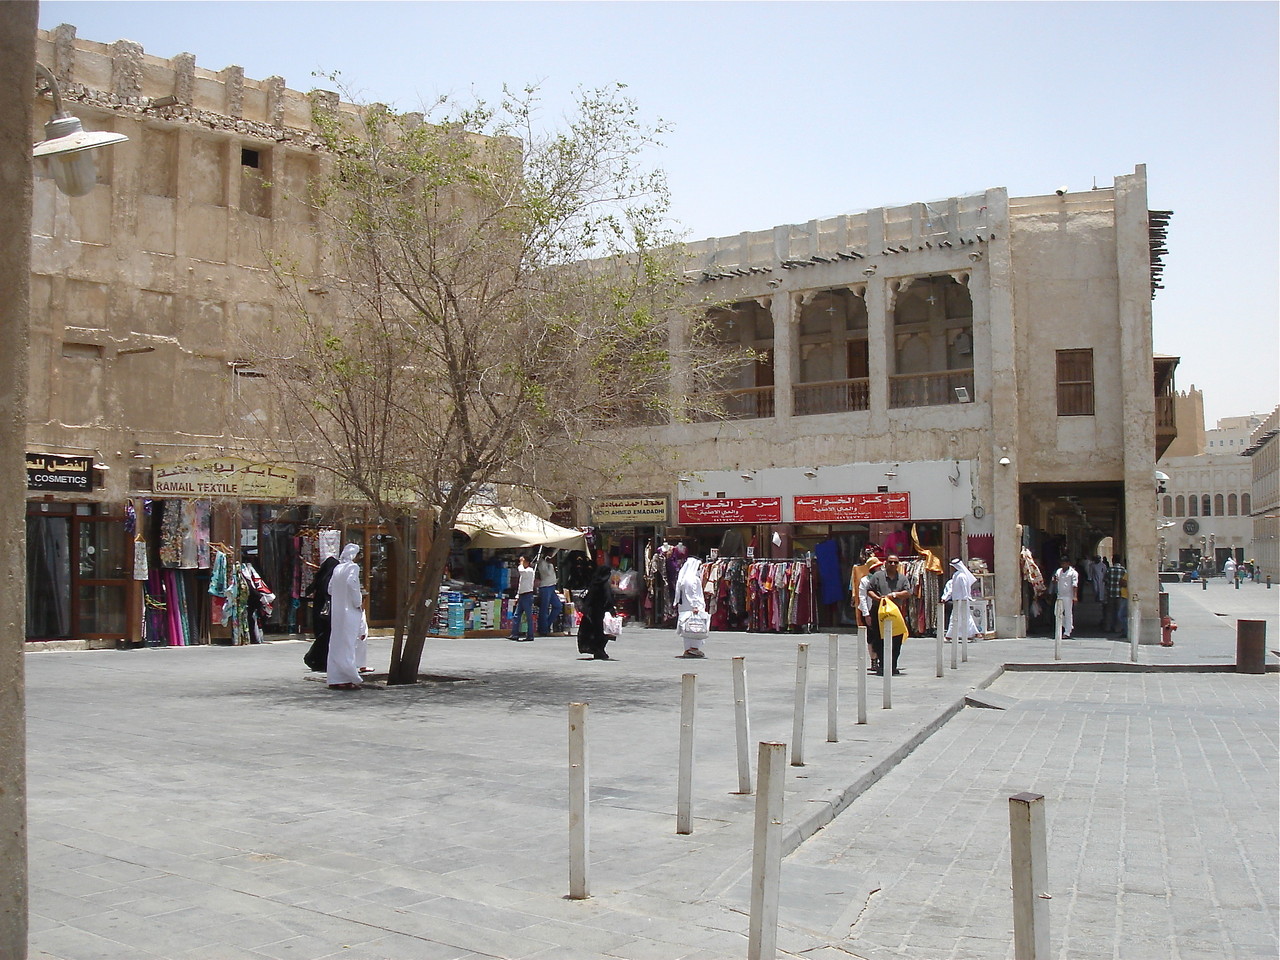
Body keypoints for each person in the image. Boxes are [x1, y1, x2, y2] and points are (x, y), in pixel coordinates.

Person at [326, 544, 367, 690]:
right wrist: (358, 601)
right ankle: (349, 676)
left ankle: (335, 677)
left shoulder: (337, 568)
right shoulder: (353, 568)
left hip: (337, 612)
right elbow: (352, 583)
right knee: (348, 644)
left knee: (337, 643)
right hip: (349, 611)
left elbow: (330, 588)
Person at [866, 554, 911, 675]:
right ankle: (882, 665)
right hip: (879, 612)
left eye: (895, 562)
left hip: (895, 612)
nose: (892, 564)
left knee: (896, 640)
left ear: (898, 565)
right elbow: (869, 590)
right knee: (879, 639)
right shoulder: (877, 576)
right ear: (885, 563)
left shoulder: (902, 578)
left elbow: (908, 592)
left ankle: (893, 665)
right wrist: (877, 599)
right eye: (890, 562)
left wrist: (894, 595)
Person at [302, 555, 339, 672]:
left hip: (319, 611)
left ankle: (320, 660)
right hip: (327, 613)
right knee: (325, 637)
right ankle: (315, 659)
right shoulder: (329, 579)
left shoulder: (320, 578)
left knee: (322, 636)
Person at [576, 565, 615, 660]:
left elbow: (589, 598)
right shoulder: (605, 585)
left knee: (593, 631)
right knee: (602, 632)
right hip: (602, 612)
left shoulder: (594, 583)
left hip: (592, 612)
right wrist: (611, 609)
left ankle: (596, 649)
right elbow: (608, 599)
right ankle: (599, 650)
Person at [853, 555, 883, 671]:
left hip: (881, 611)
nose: (880, 568)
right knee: (871, 637)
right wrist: (866, 614)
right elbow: (862, 598)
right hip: (869, 610)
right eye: (878, 567)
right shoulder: (865, 581)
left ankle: (882, 658)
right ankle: (873, 660)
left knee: (881, 635)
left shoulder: (883, 579)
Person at [674, 556, 707, 658]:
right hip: (692, 607)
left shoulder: (685, 578)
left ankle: (689, 648)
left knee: (687, 627)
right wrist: (695, 606)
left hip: (686, 606)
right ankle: (693, 648)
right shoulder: (691, 579)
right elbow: (691, 594)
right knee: (695, 627)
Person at [944, 558, 979, 643]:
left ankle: (950, 635)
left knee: (958, 617)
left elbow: (964, 588)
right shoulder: (957, 575)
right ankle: (972, 633)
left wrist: (966, 597)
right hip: (959, 599)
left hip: (961, 599)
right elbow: (952, 588)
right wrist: (946, 597)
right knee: (963, 616)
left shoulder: (961, 576)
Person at [508, 556, 536, 642]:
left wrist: (520, 563)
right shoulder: (524, 573)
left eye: (523, 561)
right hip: (522, 595)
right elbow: (521, 585)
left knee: (528, 616)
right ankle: (514, 634)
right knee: (517, 615)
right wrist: (517, 596)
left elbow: (521, 571)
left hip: (527, 595)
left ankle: (530, 635)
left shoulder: (530, 571)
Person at [536, 551, 564, 635]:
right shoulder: (541, 563)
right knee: (544, 608)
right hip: (545, 587)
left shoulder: (547, 563)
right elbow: (547, 573)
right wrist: (551, 564)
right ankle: (543, 629)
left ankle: (546, 624)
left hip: (551, 586)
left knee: (558, 606)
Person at [1051, 556, 1079, 639]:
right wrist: (1054, 580)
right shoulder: (1059, 571)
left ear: (1068, 563)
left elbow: (1075, 585)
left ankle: (1067, 632)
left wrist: (1075, 596)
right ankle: (1068, 625)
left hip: (1068, 595)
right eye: (1062, 563)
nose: (1063, 565)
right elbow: (1055, 580)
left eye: (1064, 563)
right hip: (1060, 595)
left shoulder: (1073, 573)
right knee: (1057, 612)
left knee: (1068, 613)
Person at [1104, 555, 1126, 634]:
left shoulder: (1109, 570)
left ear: (1113, 561)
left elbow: (1105, 580)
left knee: (1109, 611)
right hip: (1120, 594)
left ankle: (1108, 627)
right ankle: (1118, 628)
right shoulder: (1123, 571)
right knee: (1119, 611)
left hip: (1111, 593)